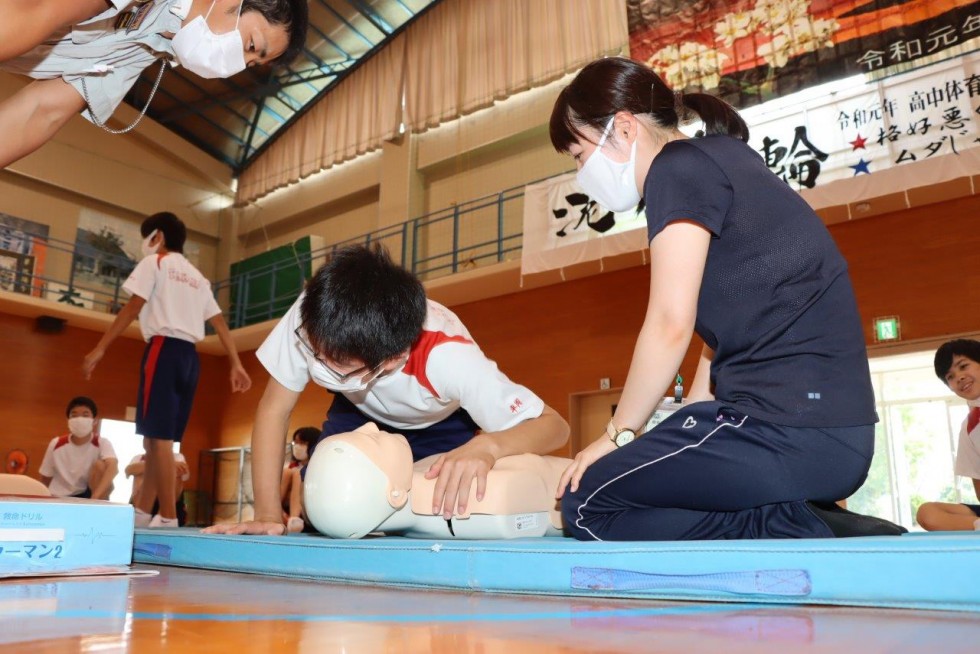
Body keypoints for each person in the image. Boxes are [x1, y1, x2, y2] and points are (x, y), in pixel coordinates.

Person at [549, 56, 905, 541]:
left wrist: (617, 436)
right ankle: (796, 517)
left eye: (578, 155)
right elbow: (724, 323)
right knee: (630, 480)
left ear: (625, 127)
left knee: (584, 502)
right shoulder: (719, 156)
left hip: (785, 431)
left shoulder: (675, 171)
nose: (580, 174)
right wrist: (692, 413)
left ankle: (786, 523)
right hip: (829, 434)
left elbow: (670, 321)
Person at [205, 244, 569, 536]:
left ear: (394, 359)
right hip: (357, 411)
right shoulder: (315, 312)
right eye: (314, 352)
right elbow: (274, 409)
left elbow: (555, 425)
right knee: (329, 511)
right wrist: (268, 514)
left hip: (440, 426)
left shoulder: (448, 357)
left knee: (438, 516)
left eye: (336, 364)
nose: (316, 365)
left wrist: (487, 447)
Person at [83, 211, 252, 528]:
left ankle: (168, 516)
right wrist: (236, 362)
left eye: (146, 237)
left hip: (163, 349)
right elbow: (218, 323)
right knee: (154, 440)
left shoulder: (154, 263)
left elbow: (133, 306)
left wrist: (101, 347)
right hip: (190, 358)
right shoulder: (197, 277)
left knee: (158, 439)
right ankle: (144, 511)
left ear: (156, 236)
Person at [0, 0, 308, 168]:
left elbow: (42, 112)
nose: (237, 63)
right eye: (251, 45)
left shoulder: (146, 50)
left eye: (251, 63)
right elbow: (36, 8)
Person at [304, 422, 569, 539]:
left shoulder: (416, 475)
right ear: (394, 494)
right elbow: (523, 494)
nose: (371, 426)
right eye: (373, 439)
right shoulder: (486, 496)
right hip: (569, 477)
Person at [916, 339, 980, 531]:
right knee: (927, 512)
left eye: (963, 366)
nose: (959, 377)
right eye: (950, 376)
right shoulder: (969, 427)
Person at [39, 396, 118, 499]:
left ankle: (98, 507)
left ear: (94, 420)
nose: (79, 419)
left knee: (101, 466)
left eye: (85, 415)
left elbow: (113, 466)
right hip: (59, 495)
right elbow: (46, 476)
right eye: (74, 415)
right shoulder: (56, 443)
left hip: (88, 494)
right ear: (68, 420)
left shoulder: (102, 443)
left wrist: (95, 497)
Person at [126, 444, 190, 524]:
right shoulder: (138, 457)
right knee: (139, 475)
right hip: (142, 498)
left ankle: (165, 517)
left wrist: (149, 467)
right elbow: (129, 470)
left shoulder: (178, 457)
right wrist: (169, 465)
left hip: (168, 502)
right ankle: (140, 513)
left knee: (176, 475)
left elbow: (181, 470)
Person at [280, 426, 318, 533]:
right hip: (285, 511)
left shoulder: (317, 465)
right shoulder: (290, 468)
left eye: (302, 443)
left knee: (298, 473)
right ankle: (276, 512)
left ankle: (294, 519)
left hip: (307, 510)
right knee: (287, 472)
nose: (297, 446)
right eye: (295, 443)